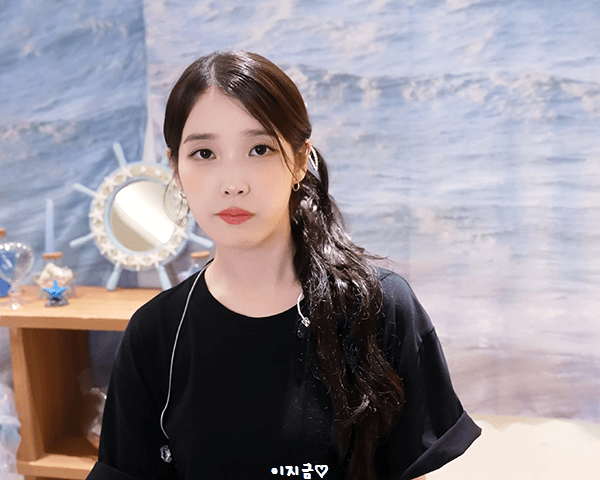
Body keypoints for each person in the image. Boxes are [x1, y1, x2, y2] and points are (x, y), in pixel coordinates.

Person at [86, 50, 480, 480]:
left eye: (260, 149)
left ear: (299, 160)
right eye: (204, 153)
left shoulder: (381, 308)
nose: (233, 184)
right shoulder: (155, 335)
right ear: (175, 169)